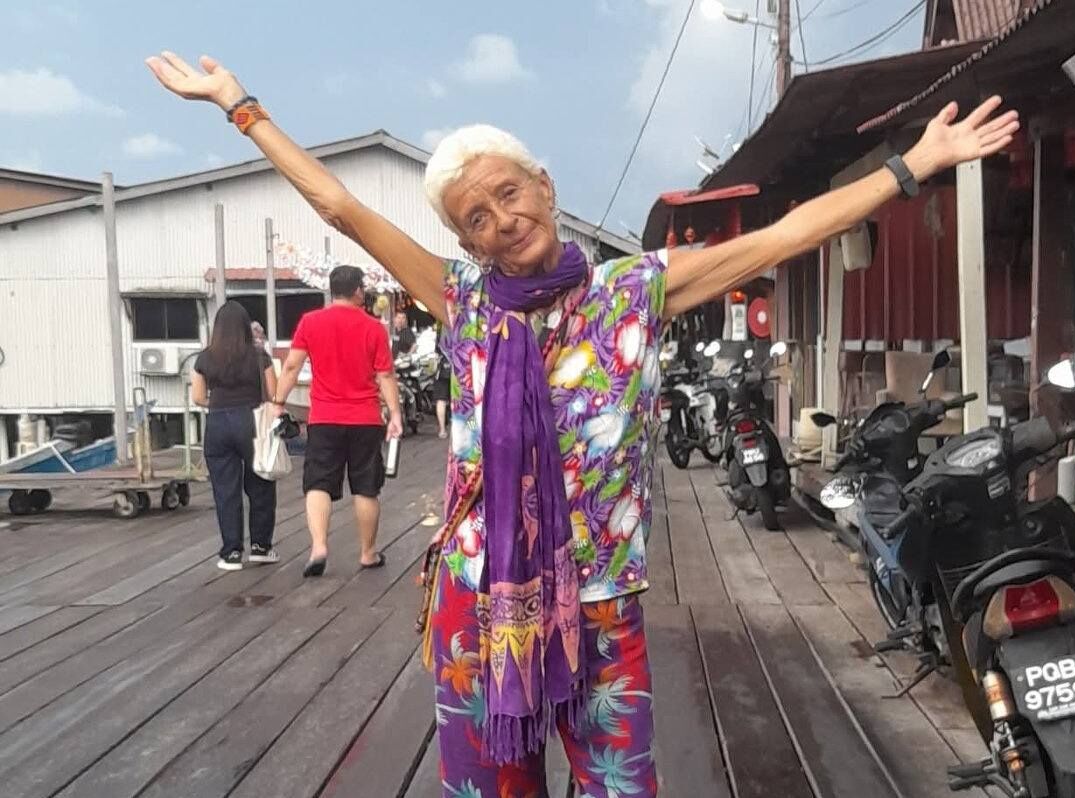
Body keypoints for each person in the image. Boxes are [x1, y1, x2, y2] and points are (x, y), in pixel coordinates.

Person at [147, 50, 1017, 796]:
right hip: (480, 600)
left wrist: (913, 164)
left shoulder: (634, 291)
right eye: (476, 218)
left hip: (599, 599)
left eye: (509, 192)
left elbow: (783, 238)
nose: (502, 220)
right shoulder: (460, 299)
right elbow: (342, 209)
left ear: (546, 186)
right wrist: (239, 107)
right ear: (468, 242)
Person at [268, 264, 404, 577]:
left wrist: (278, 402)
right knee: (366, 487)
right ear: (358, 291)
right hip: (365, 418)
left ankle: (319, 547)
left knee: (318, 482)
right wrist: (395, 414)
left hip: (324, 417)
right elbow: (385, 375)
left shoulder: (310, 322)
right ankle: (368, 553)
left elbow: (291, 367)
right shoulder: (374, 328)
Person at [191, 302, 279, 571]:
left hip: (218, 424)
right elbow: (273, 394)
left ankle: (231, 553)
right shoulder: (259, 356)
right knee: (261, 483)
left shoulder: (204, 358)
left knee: (225, 490)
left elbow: (198, 397)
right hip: (252, 421)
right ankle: (260, 547)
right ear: (245, 327)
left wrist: (219, 404)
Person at [431, 325, 451, 439]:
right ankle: (469, 428)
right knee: (464, 401)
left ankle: (442, 430)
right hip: (460, 367)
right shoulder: (463, 326)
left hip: (442, 368)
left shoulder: (441, 329)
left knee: (441, 400)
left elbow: (436, 351)